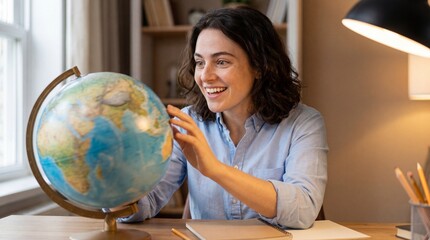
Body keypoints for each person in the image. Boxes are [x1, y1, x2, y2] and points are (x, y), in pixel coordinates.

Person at [120, 6, 328, 229]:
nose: (205, 76)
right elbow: (143, 205)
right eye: (200, 62)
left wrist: (215, 169)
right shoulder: (188, 124)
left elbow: (303, 210)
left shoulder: (304, 123)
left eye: (221, 62)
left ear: (260, 66)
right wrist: (112, 188)